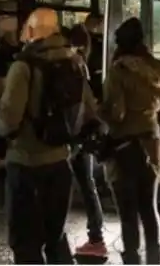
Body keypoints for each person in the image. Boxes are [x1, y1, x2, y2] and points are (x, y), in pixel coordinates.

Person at [0, 8, 98, 264]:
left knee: (25, 241)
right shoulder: (75, 61)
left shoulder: (24, 65)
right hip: (61, 162)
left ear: (30, 31)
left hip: (26, 163)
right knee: (55, 237)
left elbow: (8, 120)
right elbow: (89, 110)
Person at [101, 17, 160, 265]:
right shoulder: (158, 71)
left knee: (128, 213)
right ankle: (155, 259)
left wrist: (99, 113)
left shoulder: (119, 71)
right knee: (149, 208)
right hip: (152, 143)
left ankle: (132, 259)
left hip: (125, 147)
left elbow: (117, 113)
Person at [68, 24, 108, 258]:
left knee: (79, 184)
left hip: (76, 135)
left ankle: (95, 237)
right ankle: (96, 236)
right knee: (87, 184)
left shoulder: (74, 65)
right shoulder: (83, 64)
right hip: (83, 134)